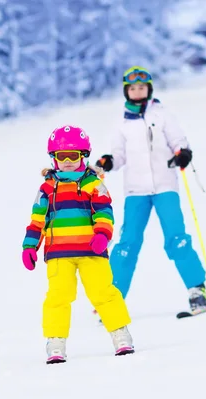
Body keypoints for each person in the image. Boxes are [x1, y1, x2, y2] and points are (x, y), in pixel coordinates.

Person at [94, 66, 206, 312]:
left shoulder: (162, 114)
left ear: (149, 89)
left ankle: (196, 289)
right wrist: (108, 161)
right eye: (133, 88)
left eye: (142, 88)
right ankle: (112, 298)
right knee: (127, 243)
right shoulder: (122, 123)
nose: (137, 92)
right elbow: (118, 155)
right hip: (136, 191)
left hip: (165, 186)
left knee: (176, 238)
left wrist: (183, 153)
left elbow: (178, 140)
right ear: (127, 91)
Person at [22, 125, 135, 364]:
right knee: (57, 297)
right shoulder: (47, 188)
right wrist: (29, 246)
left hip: (91, 250)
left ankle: (120, 334)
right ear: (53, 158)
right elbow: (37, 220)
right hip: (58, 254)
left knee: (103, 292)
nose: (67, 162)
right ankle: (55, 341)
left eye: (73, 156)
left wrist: (102, 235)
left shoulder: (93, 184)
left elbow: (104, 212)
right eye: (61, 156)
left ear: (83, 156)